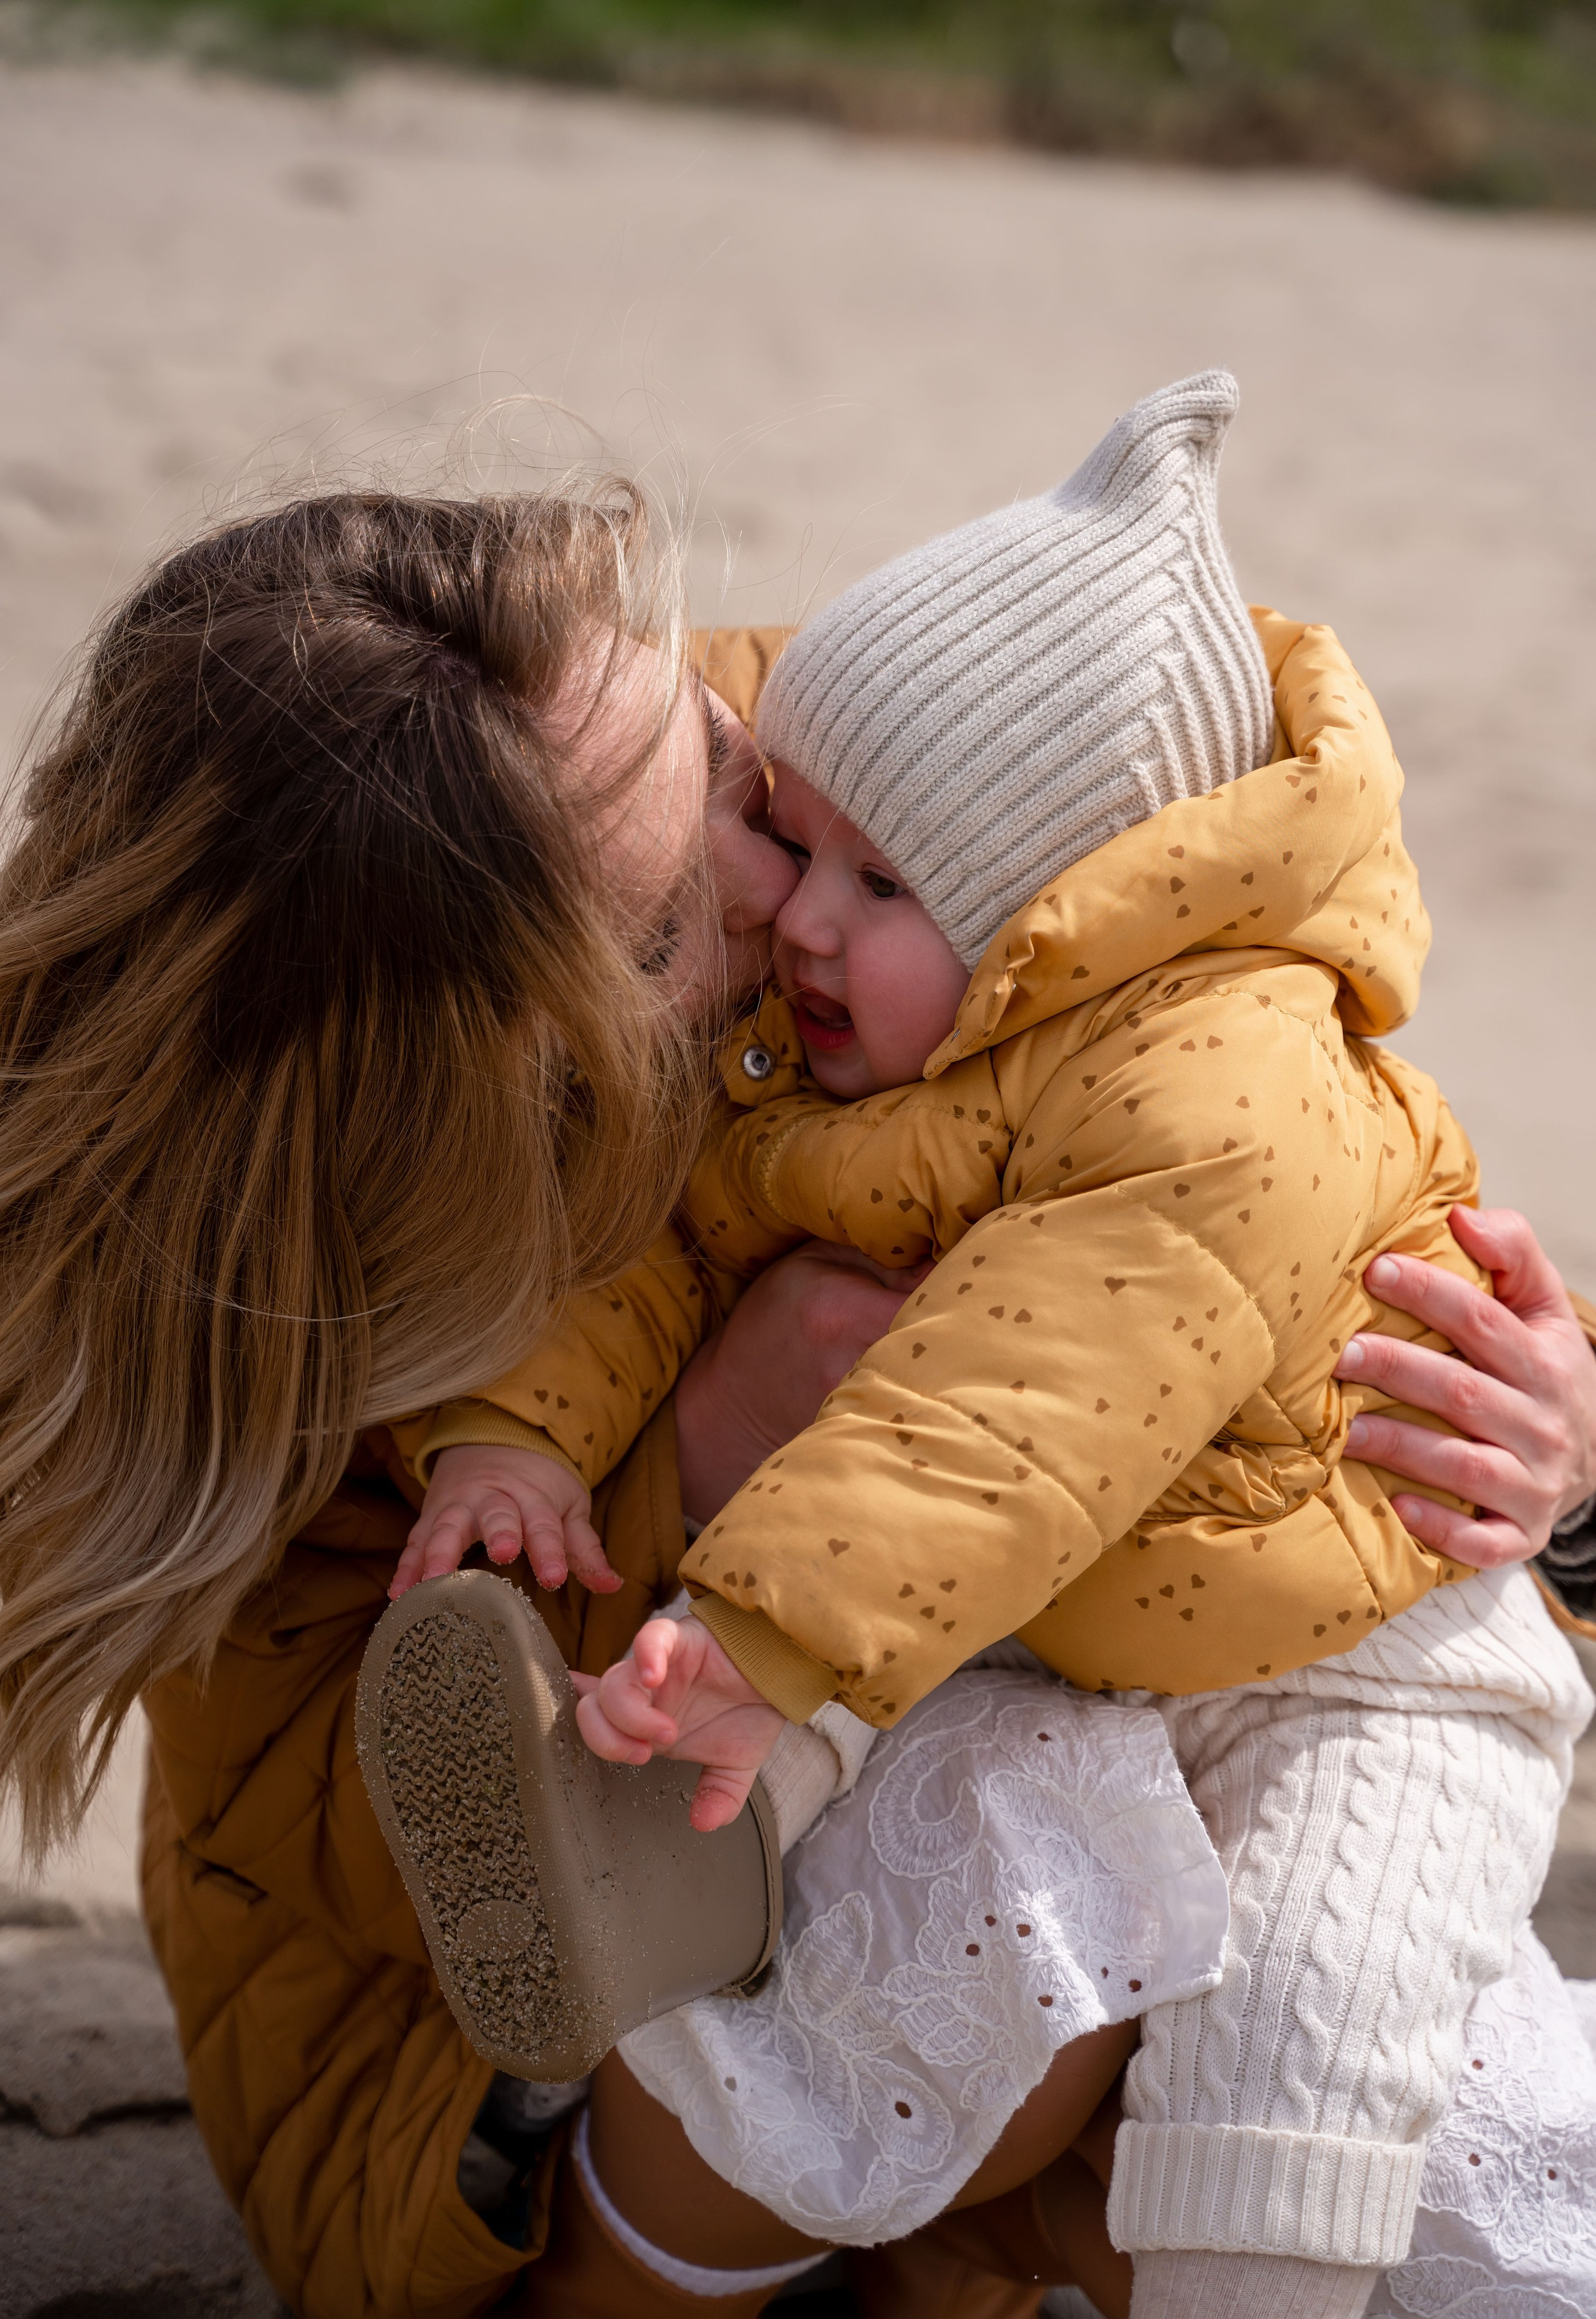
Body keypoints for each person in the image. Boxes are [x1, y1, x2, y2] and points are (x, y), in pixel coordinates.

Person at [0, 473, 1589, 2319]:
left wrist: (1550, 1455)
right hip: (483, 2080)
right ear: (486, 1081)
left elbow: (1246, 1219)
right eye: (677, 924)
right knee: (1026, 1830)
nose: (779, 888)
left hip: (1036, 1776)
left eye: (722, 756)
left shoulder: (826, 772)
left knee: (1412, 2112)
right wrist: (699, 1454)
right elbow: (363, 1878)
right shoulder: (277, 1305)